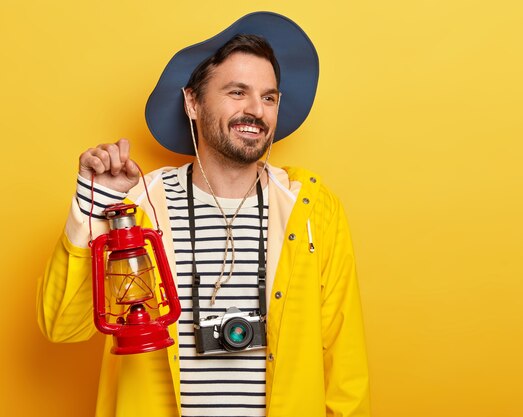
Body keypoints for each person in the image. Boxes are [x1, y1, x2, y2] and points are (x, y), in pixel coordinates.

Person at [37, 11, 370, 417]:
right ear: (192, 102)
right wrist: (94, 206)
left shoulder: (313, 208)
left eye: (269, 97)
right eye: (237, 92)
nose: (256, 110)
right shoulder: (139, 206)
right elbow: (62, 326)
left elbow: (344, 363)